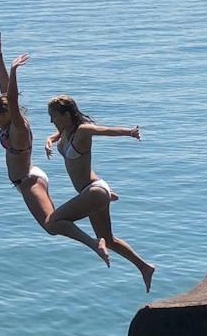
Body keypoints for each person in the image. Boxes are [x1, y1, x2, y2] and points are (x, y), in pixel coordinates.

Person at [0, 35, 109, 264]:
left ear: (5, 114)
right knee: (52, 224)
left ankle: (96, 243)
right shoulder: (10, 123)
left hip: (28, 180)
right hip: (27, 178)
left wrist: (14, 72)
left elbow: (11, 98)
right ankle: (97, 224)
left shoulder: (18, 128)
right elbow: (5, 93)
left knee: (51, 225)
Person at [44, 95, 156, 290]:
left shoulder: (83, 130)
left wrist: (130, 132)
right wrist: (49, 140)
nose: (51, 120)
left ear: (67, 115)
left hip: (94, 191)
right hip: (94, 190)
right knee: (109, 240)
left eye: (53, 116)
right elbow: (56, 134)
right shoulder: (66, 130)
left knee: (53, 222)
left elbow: (105, 130)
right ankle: (145, 267)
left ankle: (94, 243)